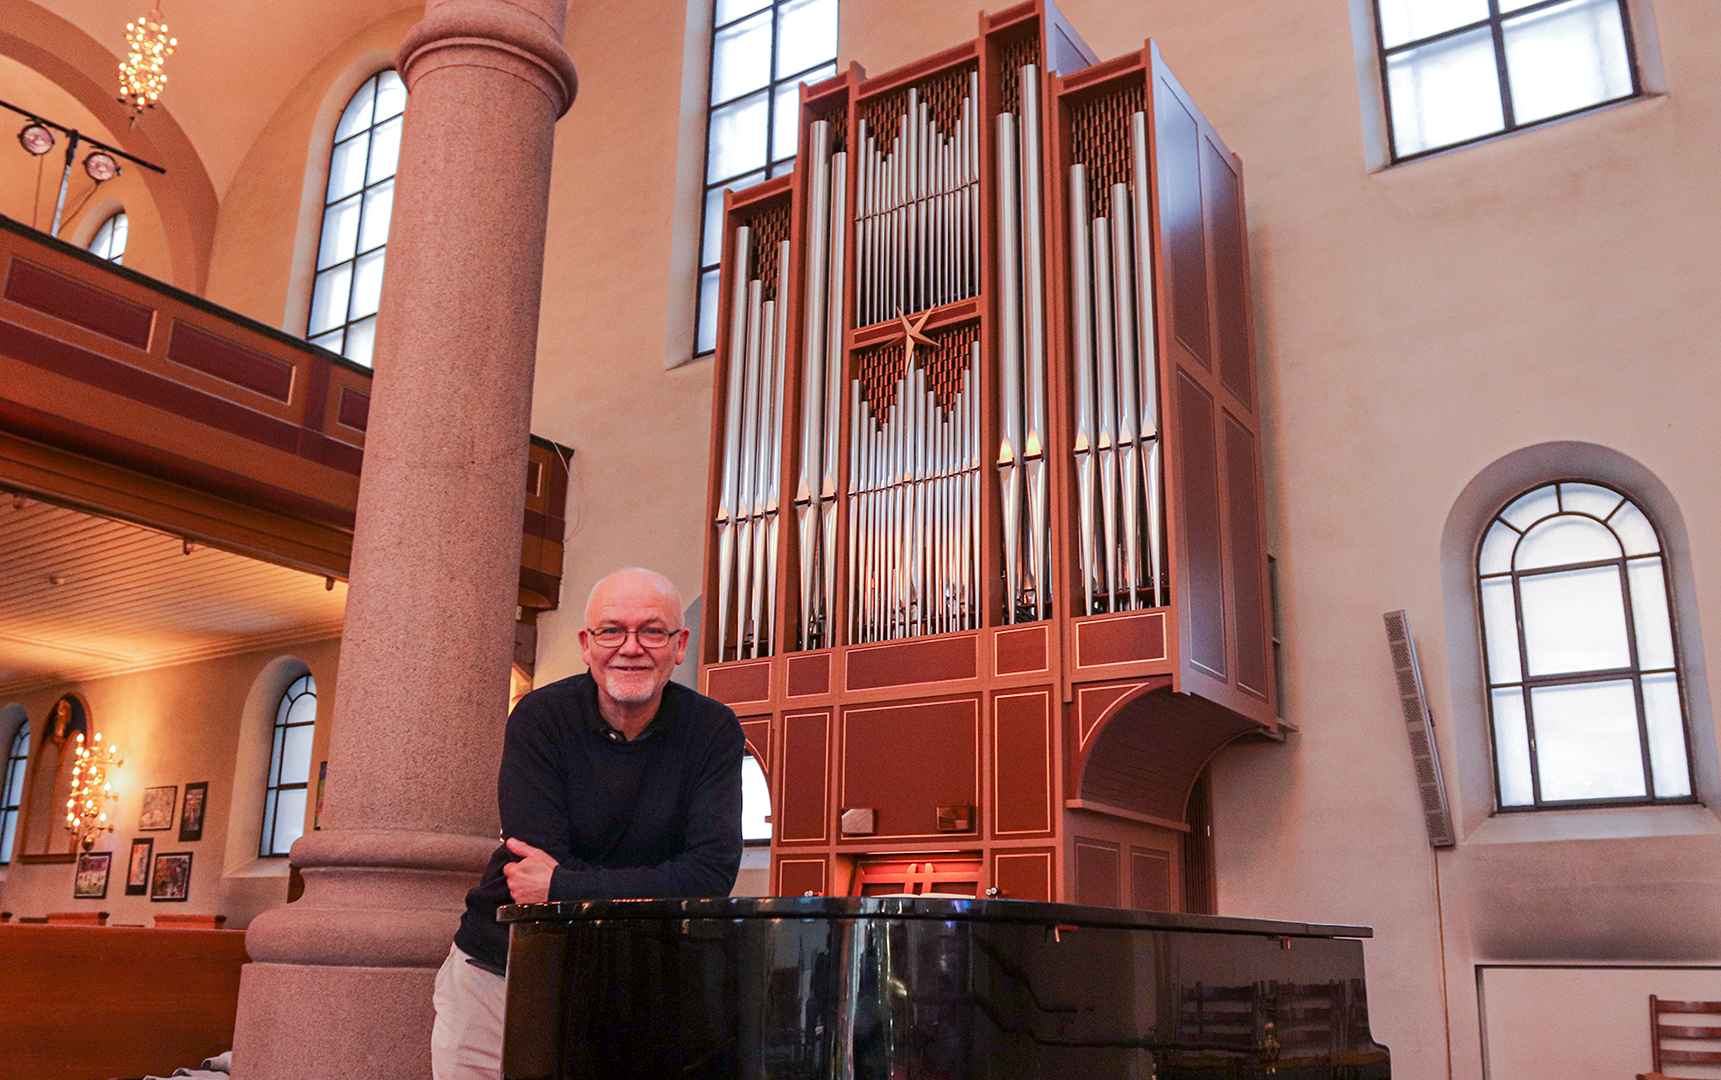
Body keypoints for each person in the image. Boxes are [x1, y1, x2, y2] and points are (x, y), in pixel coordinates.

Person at [430, 567, 744, 1080]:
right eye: (611, 630)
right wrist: (650, 883)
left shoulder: (712, 730)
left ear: (680, 644)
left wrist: (562, 884)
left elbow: (708, 877)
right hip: (501, 972)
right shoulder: (539, 717)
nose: (631, 647)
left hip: (633, 980)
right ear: (586, 643)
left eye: (652, 630)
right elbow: (529, 864)